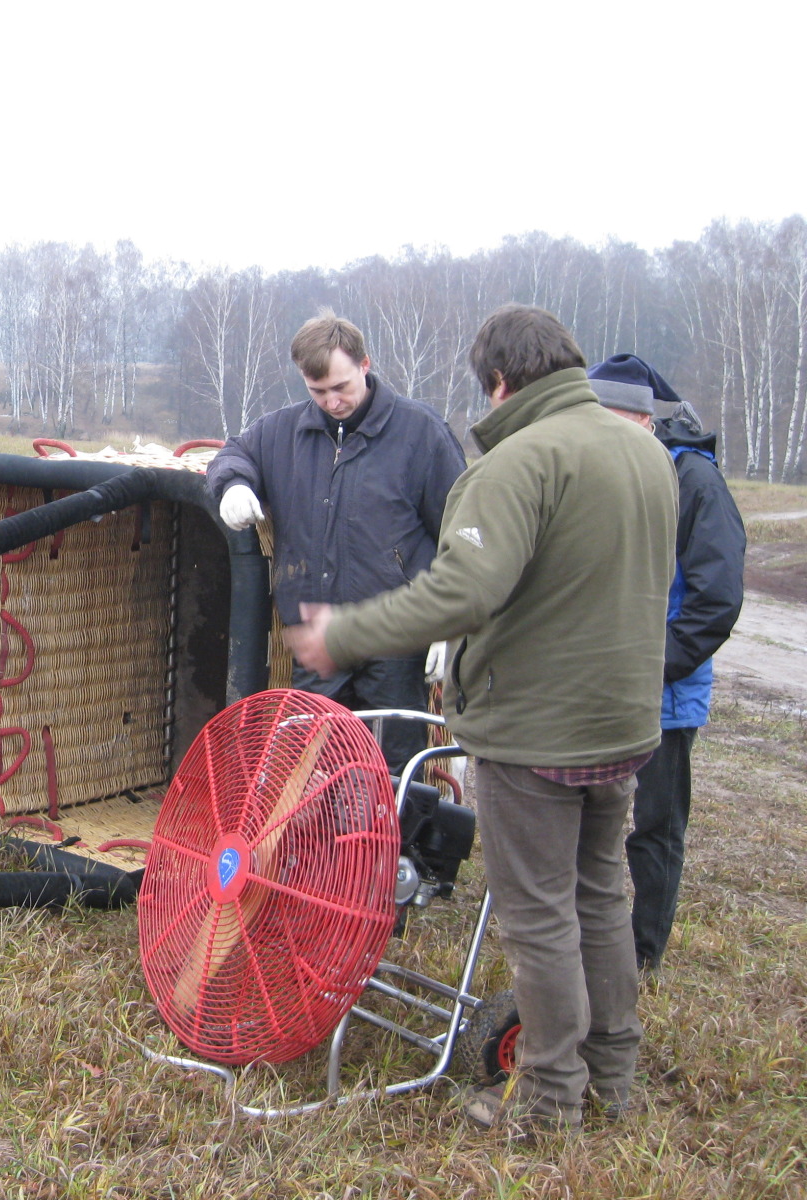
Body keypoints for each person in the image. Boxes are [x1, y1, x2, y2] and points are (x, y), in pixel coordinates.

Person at [285, 305, 677, 1132]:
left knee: (538, 916)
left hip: (539, 733)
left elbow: (461, 591)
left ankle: (549, 1100)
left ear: (499, 381)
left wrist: (343, 633)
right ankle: (613, 1076)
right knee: (600, 897)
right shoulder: (644, 451)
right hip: (622, 727)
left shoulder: (520, 462)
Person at [206, 311, 466, 775]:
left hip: (395, 636)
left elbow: (460, 529)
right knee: (313, 770)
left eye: (341, 387)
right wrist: (233, 485)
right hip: (318, 637)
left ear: (365, 364)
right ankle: (321, 826)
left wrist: (453, 624)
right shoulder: (281, 432)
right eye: (318, 391)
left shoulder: (421, 434)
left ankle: (395, 826)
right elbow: (233, 454)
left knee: (390, 771)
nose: (332, 401)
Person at [588, 354, 746, 974]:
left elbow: (716, 597)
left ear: (644, 417)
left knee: (654, 825)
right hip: (594, 684)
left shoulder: (696, 482)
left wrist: (656, 665)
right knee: (586, 818)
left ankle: (642, 951)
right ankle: (586, 935)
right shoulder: (596, 470)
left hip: (663, 692)